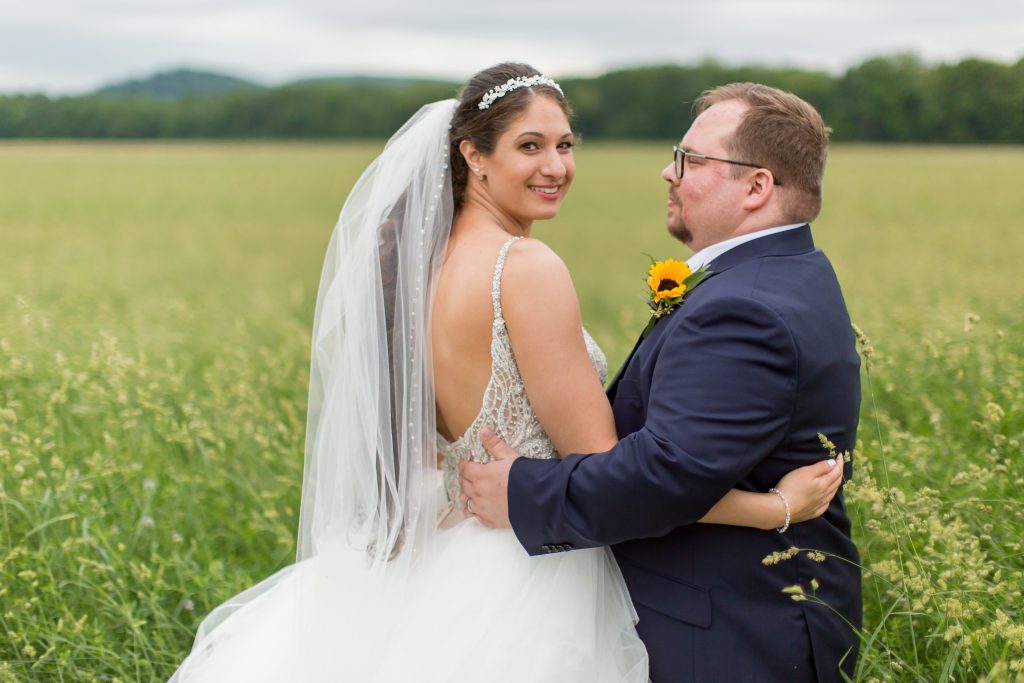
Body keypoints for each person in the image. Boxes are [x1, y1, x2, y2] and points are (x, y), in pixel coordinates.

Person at [169, 66, 843, 683]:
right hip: (531, 574)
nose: (556, 166)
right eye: (530, 146)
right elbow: (609, 464)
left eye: (566, 145)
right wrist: (772, 508)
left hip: (442, 556)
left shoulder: (417, 269)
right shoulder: (525, 268)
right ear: (472, 156)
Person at [462, 82, 862, 682]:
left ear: (756, 187)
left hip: (733, 634)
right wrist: (771, 506)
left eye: (691, 160)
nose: (667, 173)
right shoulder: (784, 272)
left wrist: (523, 491)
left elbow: (666, 473)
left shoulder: (746, 307)